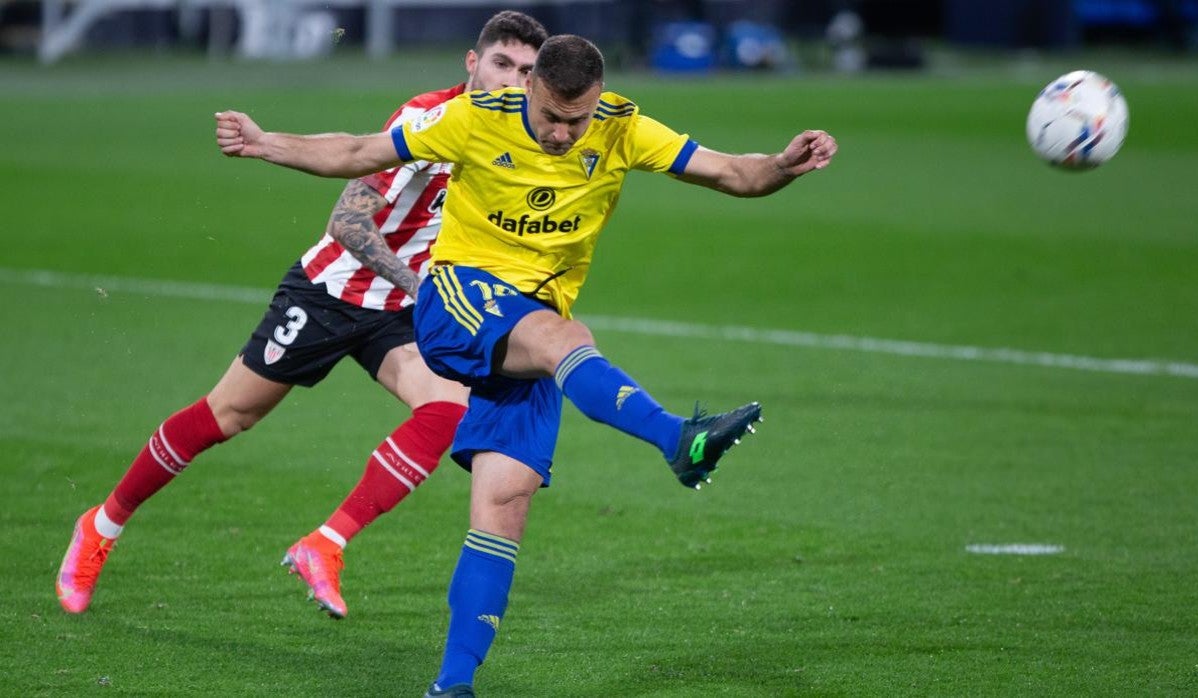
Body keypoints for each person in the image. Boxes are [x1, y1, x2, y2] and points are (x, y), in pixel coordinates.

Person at [216, 34, 836, 697]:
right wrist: (262, 141)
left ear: (598, 100)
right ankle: (677, 440)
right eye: (551, 117)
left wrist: (783, 164)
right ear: (531, 89)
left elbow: (735, 174)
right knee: (564, 336)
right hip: (458, 303)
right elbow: (356, 151)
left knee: (505, 503)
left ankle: (452, 686)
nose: (565, 133)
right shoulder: (474, 117)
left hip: (527, 337)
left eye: (578, 119)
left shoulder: (621, 127)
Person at [55, 11, 550, 621]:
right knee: (226, 416)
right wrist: (424, 288)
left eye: (527, 71)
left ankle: (326, 544)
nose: (512, 80)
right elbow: (347, 221)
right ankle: (100, 525)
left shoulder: (523, 135)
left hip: (397, 313)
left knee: (446, 408)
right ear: (472, 65)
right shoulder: (431, 120)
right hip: (329, 292)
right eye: (502, 63)